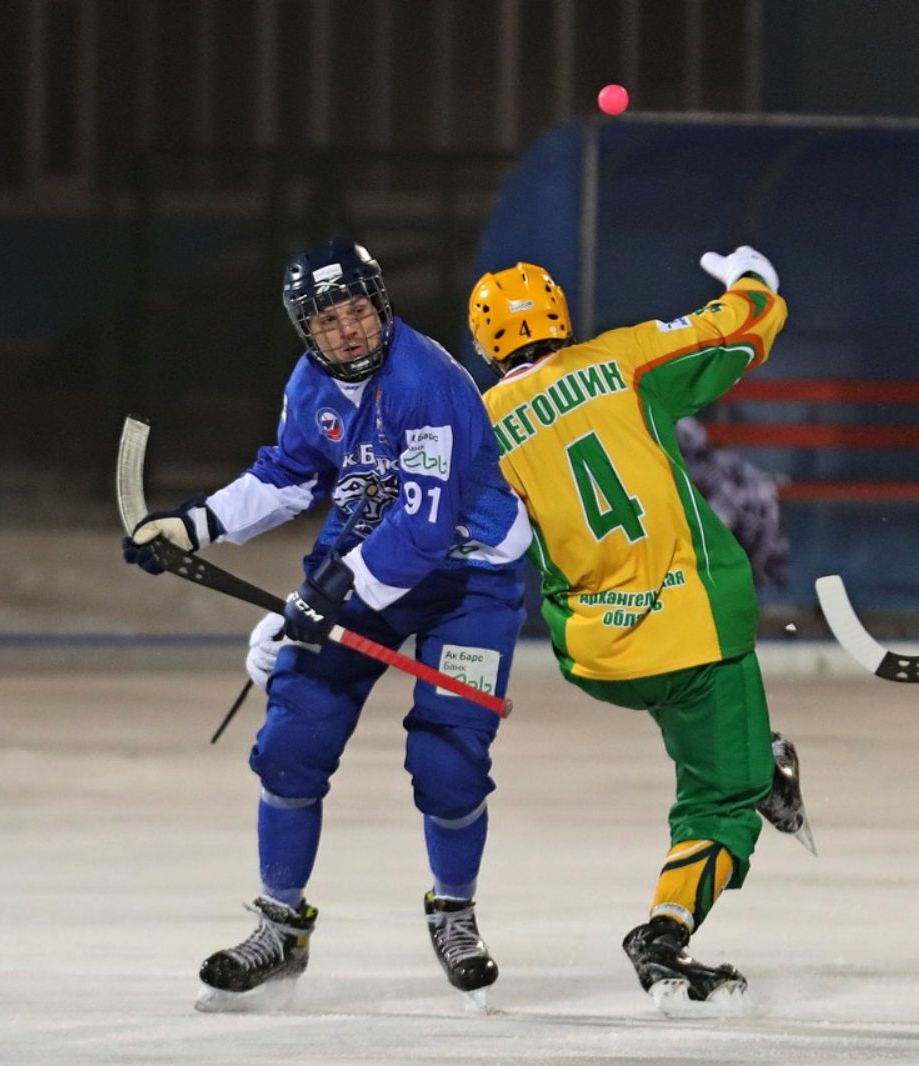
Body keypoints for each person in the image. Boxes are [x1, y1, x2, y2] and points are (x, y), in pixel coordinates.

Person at [122, 240, 529, 1012]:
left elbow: (424, 533)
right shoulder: (312, 380)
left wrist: (327, 598)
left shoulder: (428, 382)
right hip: (364, 560)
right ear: (305, 329)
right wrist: (194, 525)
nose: (346, 331)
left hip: (467, 578)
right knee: (291, 742)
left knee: (449, 762)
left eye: (356, 312)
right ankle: (281, 925)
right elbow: (289, 473)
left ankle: (455, 910)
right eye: (326, 319)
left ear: (381, 306)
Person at [464, 247, 811, 1016]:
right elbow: (743, 328)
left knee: (705, 739)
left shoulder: (479, 428)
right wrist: (754, 279)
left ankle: (757, 756)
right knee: (723, 797)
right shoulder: (622, 359)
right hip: (697, 627)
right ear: (562, 314)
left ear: (487, 345)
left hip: (600, 652)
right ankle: (666, 933)